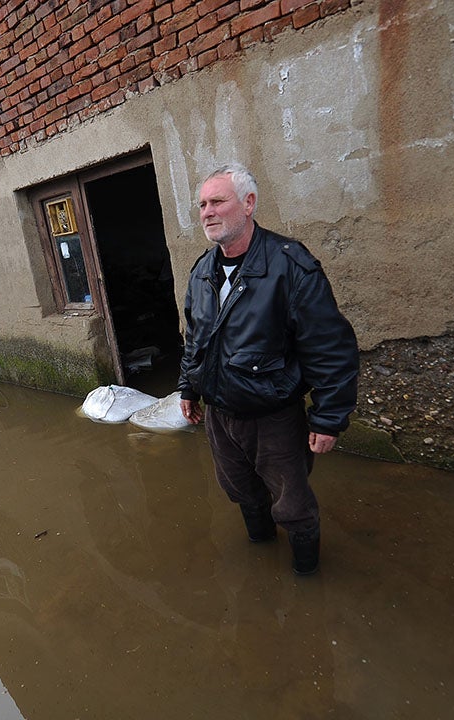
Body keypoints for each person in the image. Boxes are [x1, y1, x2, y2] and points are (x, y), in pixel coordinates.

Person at [178, 163, 359, 576]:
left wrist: (329, 418)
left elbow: (330, 349)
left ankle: (306, 575)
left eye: (218, 201)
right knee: (241, 491)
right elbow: (195, 339)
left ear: (249, 203)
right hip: (221, 416)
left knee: (293, 505)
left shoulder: (291, 266)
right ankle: (260, 553)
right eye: (202, 204)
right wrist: (188, 387)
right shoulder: (202, 271)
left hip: (274, 417)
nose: (207, 211)